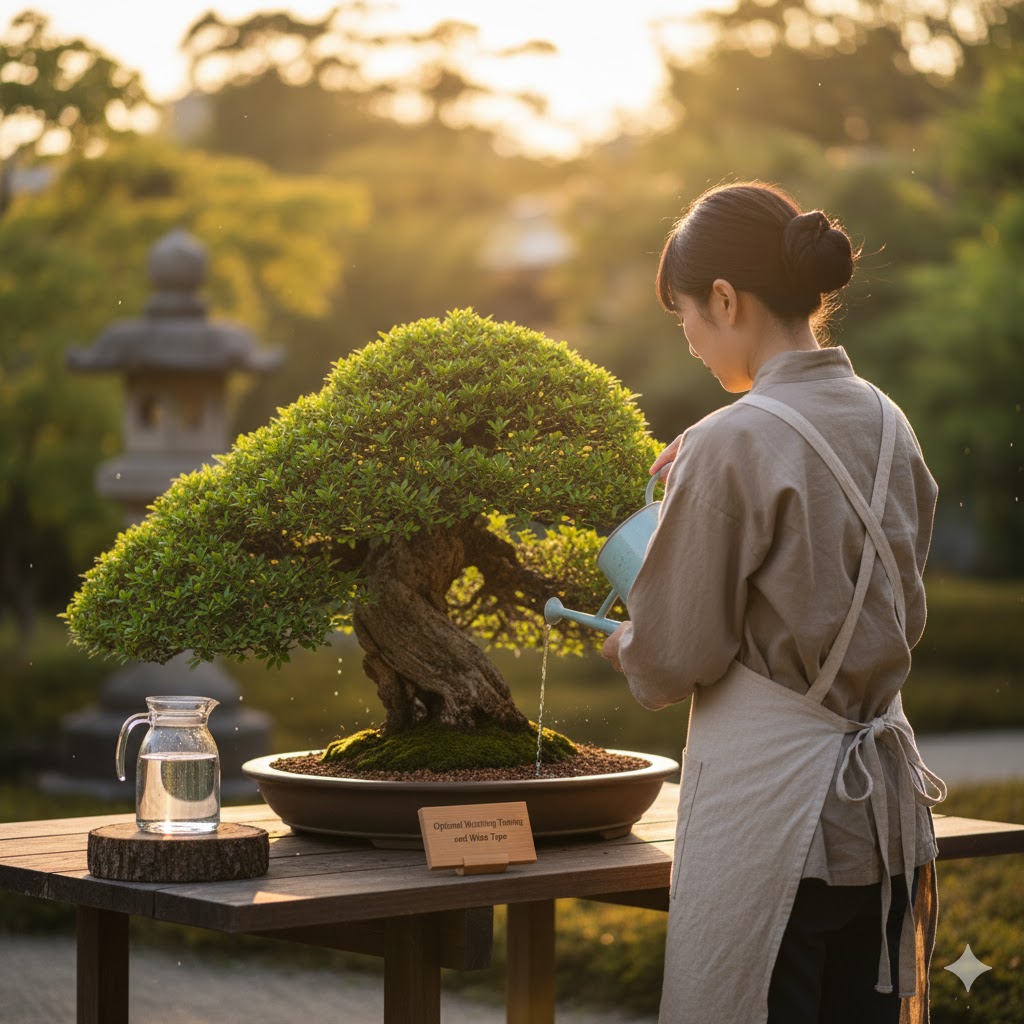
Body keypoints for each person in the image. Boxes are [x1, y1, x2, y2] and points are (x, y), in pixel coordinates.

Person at [600, 182, 947, 1024]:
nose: (689, 341)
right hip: (882, 825)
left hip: (774, 820)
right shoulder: (889, 421)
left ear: (725, 298)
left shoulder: (731, 441)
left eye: (685, 315)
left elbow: (673, 659)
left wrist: (624, 642)